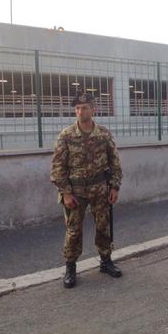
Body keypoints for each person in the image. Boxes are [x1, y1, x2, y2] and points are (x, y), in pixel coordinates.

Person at [50, 91, 123, 288]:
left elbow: (114, 161)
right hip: (76, 192)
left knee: (103, 226)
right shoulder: (66, 135)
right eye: (78, 108)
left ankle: (106, 262)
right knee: (73, 231)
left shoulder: (104, 133)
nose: (81, 111)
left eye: (85, 108)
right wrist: (65, 192)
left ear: (93, 110)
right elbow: (58, 167)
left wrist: (115, 186)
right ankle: (71, 267)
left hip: (100, 189)